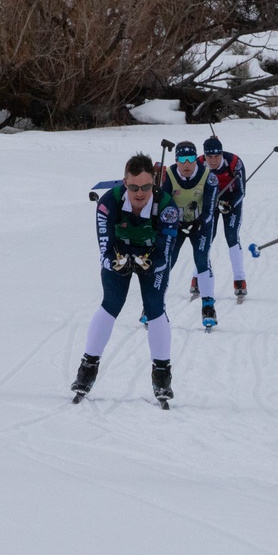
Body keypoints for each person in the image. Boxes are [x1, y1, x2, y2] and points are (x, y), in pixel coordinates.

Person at [70, 154, 180, 404]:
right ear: (124, 182)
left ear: (155, 182)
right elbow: (104, 248)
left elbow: (166, 253)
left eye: (145, 187)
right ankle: (87, 370)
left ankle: (162, 375)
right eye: (133, 187)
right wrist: (114, 262)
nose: (139, 193)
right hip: (119, 252)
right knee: (111, 304)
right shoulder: (109, 202)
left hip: (152, 257)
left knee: (154, 308)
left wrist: (149, 263)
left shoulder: (167, 207)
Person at [162, 141, 219, 328]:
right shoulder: (169, 175)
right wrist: (174, 222)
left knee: (202, 260)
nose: (187, 164)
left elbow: (211, 208)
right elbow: (163, 203)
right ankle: (154, 305)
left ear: (196, 159)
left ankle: (208, 306)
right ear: (176, 160)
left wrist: (200, 222)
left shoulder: (208, 177)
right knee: (167, 260)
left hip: (200, 224)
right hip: (175, 224)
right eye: (182, 159)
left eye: (191, 158)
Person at [196, 136, 248, 301]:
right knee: (205, 238)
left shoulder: (234, 162)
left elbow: (242, 191)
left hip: (230, 200)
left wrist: (230, 204)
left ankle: (239, 280)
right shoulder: (198, 164)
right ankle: (198, 276)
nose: (213, 161)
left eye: (216, 156)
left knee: (231, 236)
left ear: (221, 153)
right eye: (209, 157)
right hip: (209, 201)